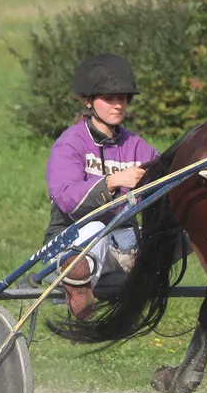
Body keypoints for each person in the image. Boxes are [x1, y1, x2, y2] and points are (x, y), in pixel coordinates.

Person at [45, 54, 159, 320]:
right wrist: (113, 181)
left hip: (124, 246)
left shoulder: (137, 145)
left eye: (123, 98)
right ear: (88, 101)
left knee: (187, 231)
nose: (118, 105)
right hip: (71, 242)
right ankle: (78, 283)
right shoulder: (69, 143)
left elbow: (167, 181)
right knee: (96, 228)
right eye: (110, 98)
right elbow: (67, 199)